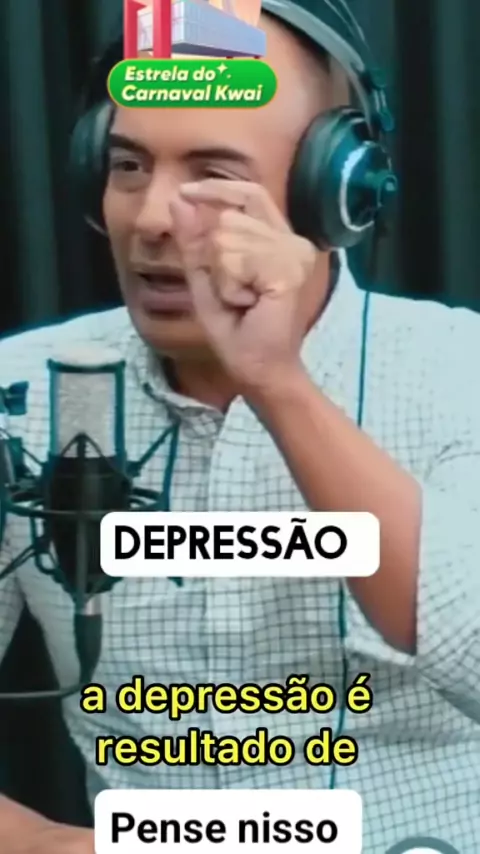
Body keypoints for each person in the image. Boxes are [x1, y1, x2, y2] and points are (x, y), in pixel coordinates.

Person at [0, 2, 479, 852]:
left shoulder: (457, 372)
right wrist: (59, 846)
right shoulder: (22, 393)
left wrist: (278, 385)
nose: (152, 217)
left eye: (213, 175)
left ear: (333, 191)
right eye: (128, 165)